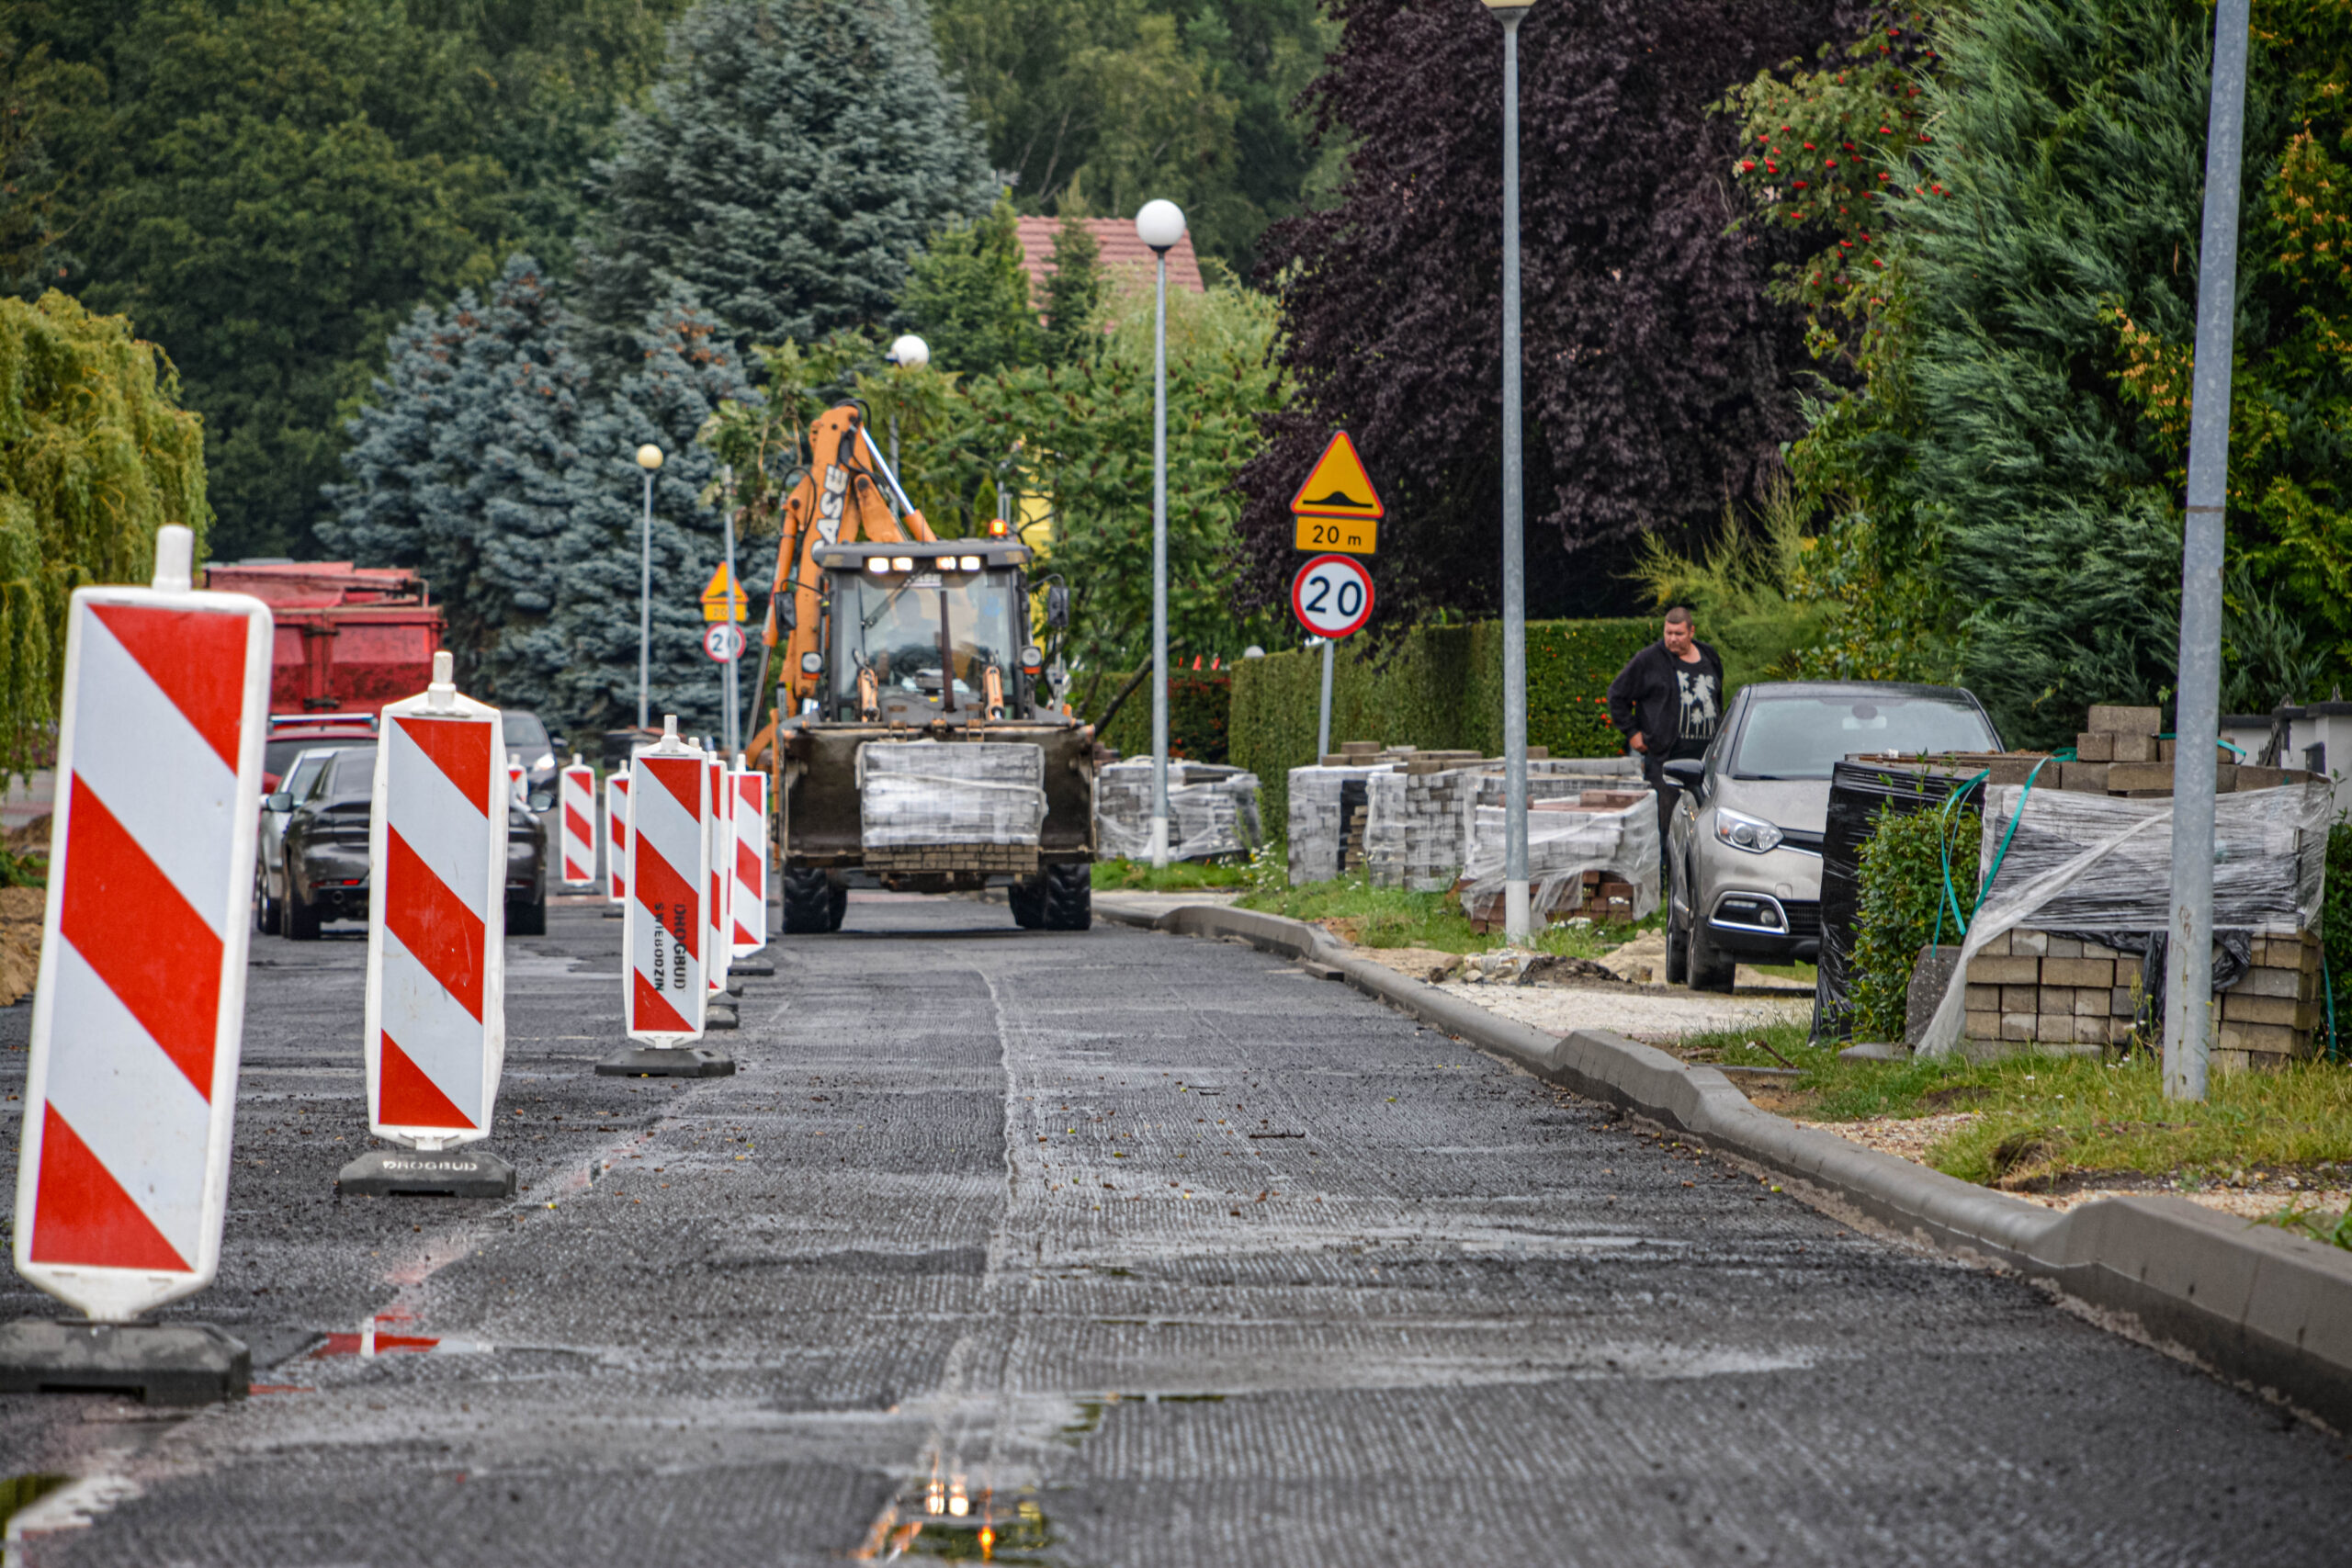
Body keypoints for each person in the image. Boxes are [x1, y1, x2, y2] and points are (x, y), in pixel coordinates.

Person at [1605, 607, 1724, 858]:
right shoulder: (1649, 660)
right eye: (1668, 633)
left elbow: (1718, 696)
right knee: (1667, 824)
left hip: (1705, 760)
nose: (1672, 639)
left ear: (1691, 632)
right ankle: (1667, 874)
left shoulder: (1709, 656)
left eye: (1678, 633)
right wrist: (1632, 733)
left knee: (1705, 821)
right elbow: (1616, 694)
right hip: (1665, 758)